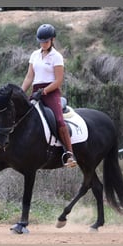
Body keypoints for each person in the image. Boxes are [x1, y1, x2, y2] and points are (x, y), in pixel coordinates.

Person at [21, 23, 77, 168]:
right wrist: (21, 92)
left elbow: (58, 80)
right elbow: (29, 77)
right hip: (36, 91)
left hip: (51, 92)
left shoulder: (56, 56)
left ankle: (69, 154)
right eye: (41, 41)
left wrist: (44, 91)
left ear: (52, 40)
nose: (43, 44)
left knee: (58, 120)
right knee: (22, 116)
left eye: (46, 41)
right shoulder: (34, 55)